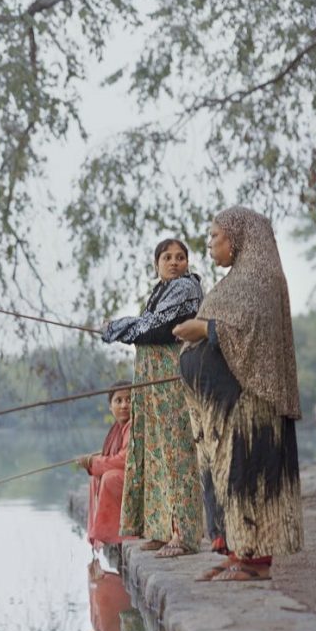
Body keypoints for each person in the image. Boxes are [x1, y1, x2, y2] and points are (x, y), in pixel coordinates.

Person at [174, 206, 304, 582]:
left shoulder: (261, 278)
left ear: (238, 237)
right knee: (229, 476)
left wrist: (204, 328)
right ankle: (238, 551)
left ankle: (255, 561)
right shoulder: (236, 280)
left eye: (215, 235)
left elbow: (251, 331)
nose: (210, 242)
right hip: (224, 405)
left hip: (250, 400)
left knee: (250, 475)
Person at [101, 239, 204, 558]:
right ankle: (159, 529)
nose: (175, 262)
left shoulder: (188, 288)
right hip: (150, 386)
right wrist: (122, 328)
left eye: (181, 257)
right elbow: (148, 324)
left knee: (177, 452)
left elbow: (159, 328)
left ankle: (184, 534)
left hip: (171, 382)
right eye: (167, 257)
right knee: (153, 451)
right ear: (157, 263)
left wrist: (121, 327)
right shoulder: (159, 292)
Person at [76, 381, 132, 555]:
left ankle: (125, 532)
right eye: (118, 400)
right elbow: (113, 457)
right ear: (110, 406)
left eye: (129, 399)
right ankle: (107, 533)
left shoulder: (134, 426)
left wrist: (94, 463)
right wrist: (93, 462)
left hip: (143, 485)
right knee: (95, 478)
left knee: (109, 477)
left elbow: (125, 460)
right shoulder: (117, 429)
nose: (124, 405)